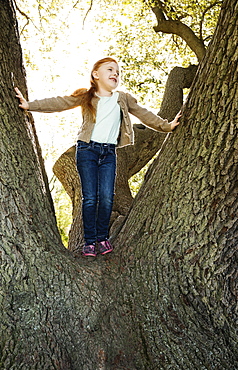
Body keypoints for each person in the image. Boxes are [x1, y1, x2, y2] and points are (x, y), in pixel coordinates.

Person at [15, 56, 181, 257]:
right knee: (90, 198)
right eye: (110, 70)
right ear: (96, 75)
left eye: (118, 72)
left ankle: (103, 238)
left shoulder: (123, 99)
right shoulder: (86, 97)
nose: (115, 74)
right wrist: (29, 105)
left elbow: (144, 114)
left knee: (106, 198)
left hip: (109, 153)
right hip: (87, 150)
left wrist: (167, 126)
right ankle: (90, 242)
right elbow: (59, 103)